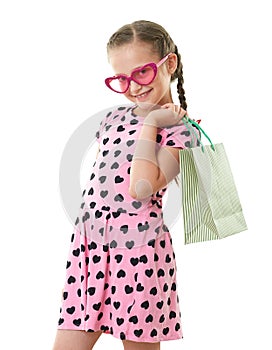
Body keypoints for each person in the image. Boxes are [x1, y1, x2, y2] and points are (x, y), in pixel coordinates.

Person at [52, 19, 196, 350]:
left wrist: (154, 121)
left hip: (139, 255)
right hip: (91, 252)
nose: (133, 87)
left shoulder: (181, 131)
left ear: (168, 63)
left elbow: (141, 187)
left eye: (141, 73)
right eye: (121, 78)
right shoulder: (113, 118)